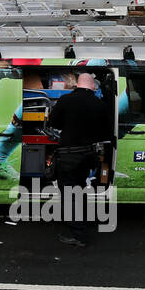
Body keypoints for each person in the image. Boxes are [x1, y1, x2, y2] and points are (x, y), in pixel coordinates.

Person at [47, 70, 115, 247]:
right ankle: (81, 223)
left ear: (77, 84)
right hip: (88, 156)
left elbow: (53, 123)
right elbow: (107, 132)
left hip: (68, 156)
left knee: (69, 193)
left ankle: (78, 234)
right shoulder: (100, 105)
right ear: (93, 86)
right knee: (80, 189)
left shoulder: (65, 100)